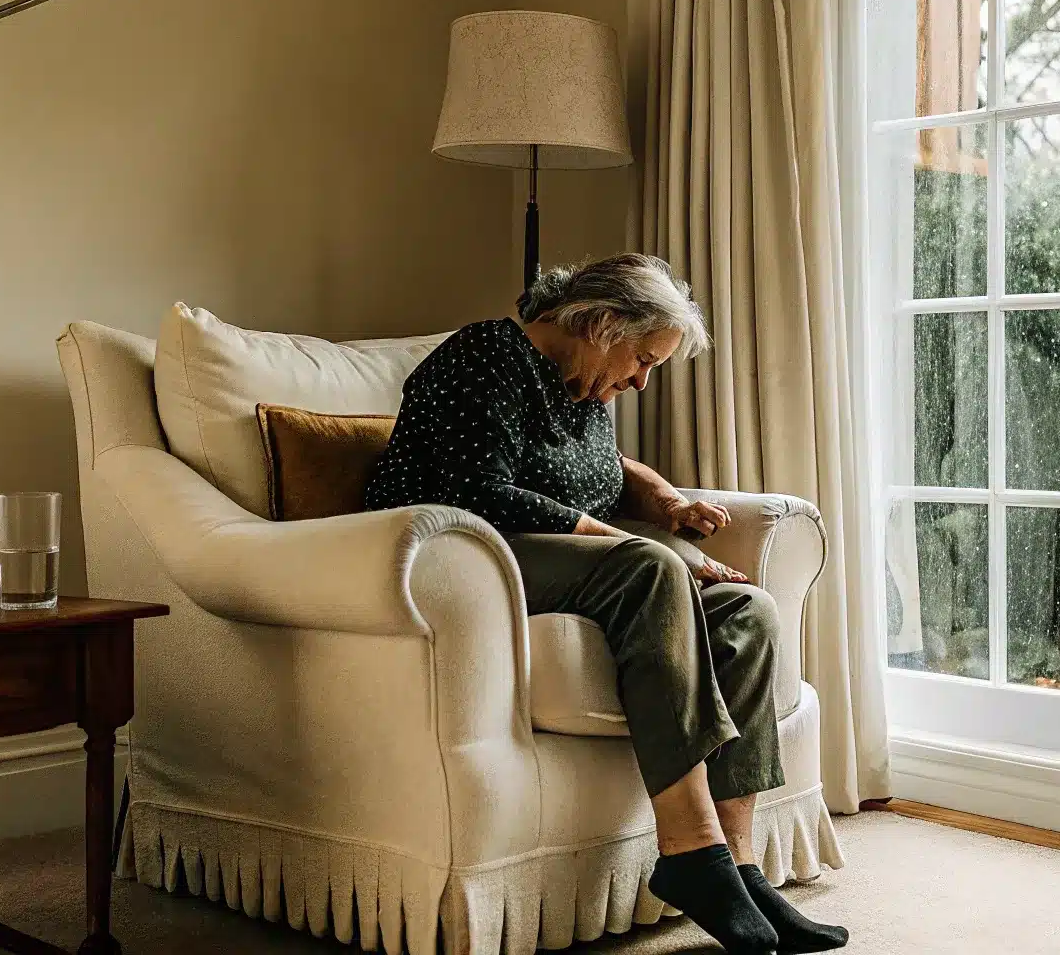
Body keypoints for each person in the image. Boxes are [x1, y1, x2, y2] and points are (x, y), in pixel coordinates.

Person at [363, 253, 847, 955]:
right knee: (650, 566)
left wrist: (666, 500)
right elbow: (481, 487)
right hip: (466, 553)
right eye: (643, 359)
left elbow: (605, 470)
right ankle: (690, 852)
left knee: (748, 610)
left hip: (565, 562)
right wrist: (637, 541)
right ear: (599, 324)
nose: (642, 380)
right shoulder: (485, 355)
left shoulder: (584, 389)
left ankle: (740, 867)